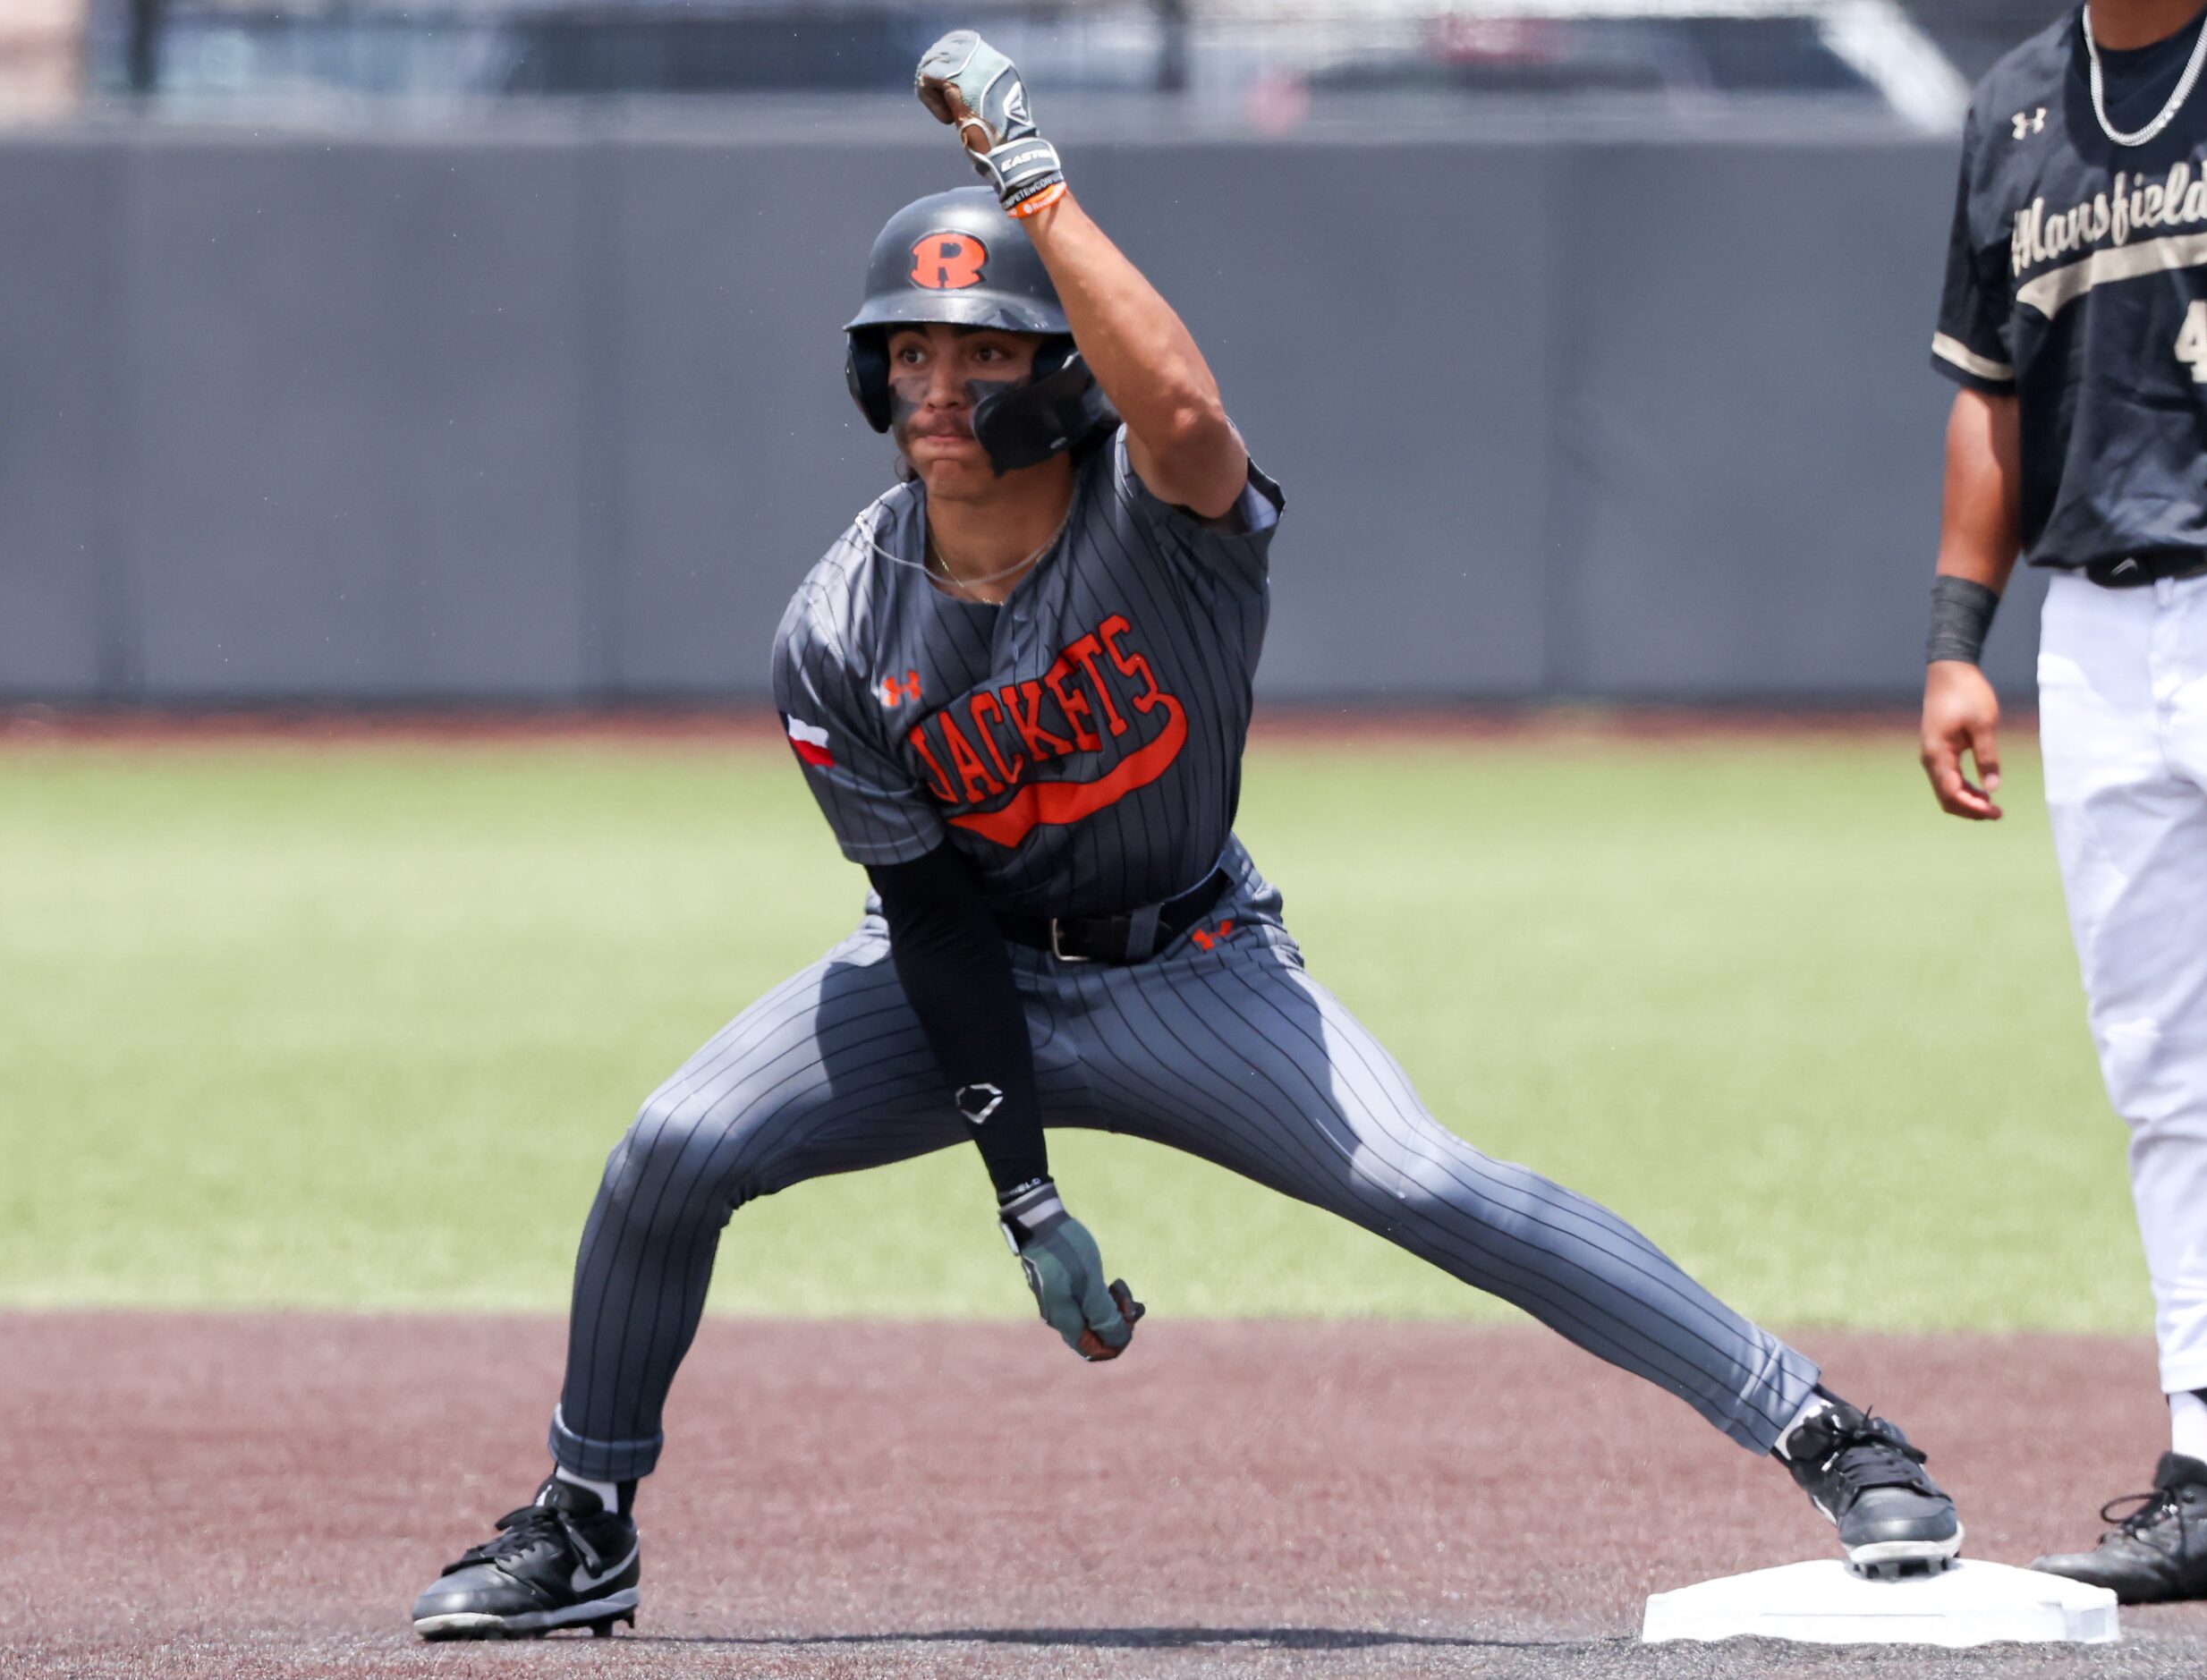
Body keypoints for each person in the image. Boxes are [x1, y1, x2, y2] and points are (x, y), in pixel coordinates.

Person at [407, 31, 1961, 1641]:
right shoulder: (832, 628)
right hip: (962, 967)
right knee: (669, 1148)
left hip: (1197, 964)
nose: (939, 386)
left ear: (1061, 372)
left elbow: (1192, 409)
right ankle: (586, 1520)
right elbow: (931, 922)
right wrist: (1027, 1197)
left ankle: (1832, 1432)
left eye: (985, 352)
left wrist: (1032, 181)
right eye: (913, 353)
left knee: (1435, 1179)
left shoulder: (1165, 530)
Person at [1923, 0, 2207, 1607]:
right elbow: (1987, 395)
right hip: (2094, 629)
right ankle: (2204, 1450)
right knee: (2167, 1068)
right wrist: (1960, 644)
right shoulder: (2017, 107)